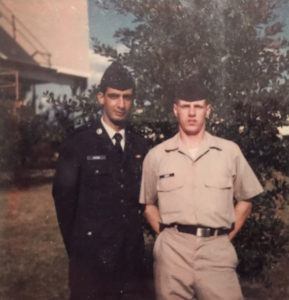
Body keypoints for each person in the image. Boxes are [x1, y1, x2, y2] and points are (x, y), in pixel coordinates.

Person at [139, 79, 263, 300]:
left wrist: (224, 238)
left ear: (208, 110)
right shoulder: (157, 156)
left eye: (198, 106)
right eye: (185, 106)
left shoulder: (229, 152)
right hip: (172, 254)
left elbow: (246, 199)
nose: (192, 113)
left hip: (216, 250)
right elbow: (148, 205)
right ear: (175, 110)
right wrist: (168, 238)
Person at [52, 61, 149, 300]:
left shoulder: (140, 145)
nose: (121, 104)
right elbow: (64, 201)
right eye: (114, 96)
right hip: (91, 260)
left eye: (127, 97)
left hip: (131, 260)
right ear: (101, 98)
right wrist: (77, 250)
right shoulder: (79, 143)